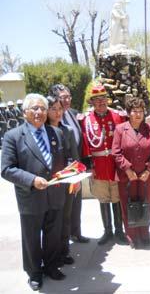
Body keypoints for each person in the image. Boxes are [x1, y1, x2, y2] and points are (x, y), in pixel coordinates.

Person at [1, 94, 69, 291]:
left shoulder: (55, 132)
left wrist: (70, 173)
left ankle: (51, 266)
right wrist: (31, 180)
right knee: (31, 237)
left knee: (53, 234)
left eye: (42, 108)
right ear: (25, 112)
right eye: (35, 109)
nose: (39, 112)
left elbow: (62, 162)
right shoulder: (13, 136)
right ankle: (34, 272)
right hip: (30, 196)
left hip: (55, 194)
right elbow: (6, 169)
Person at [78, 84, 127, 245]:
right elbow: (85, 144)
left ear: (108, 99)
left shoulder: (118, 116)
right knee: (103, 199)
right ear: (92, 102)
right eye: (97, 100)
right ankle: (108, 231)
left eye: (103, 99)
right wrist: (88, 166)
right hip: (98, 166)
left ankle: (119, 231)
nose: (101, 102)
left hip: (115, 165)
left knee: (116, 198)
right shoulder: (86, 120)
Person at [112, 97, 150, 248]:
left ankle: (144, 234)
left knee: (146, 204)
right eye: (134, 111)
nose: (138, 114)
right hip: (127, 177)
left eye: (141, 111)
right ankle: (132, 236)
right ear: (128, 113)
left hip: (145, 176)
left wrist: (148, 169)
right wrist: (127, 168)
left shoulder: (149, 129)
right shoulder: (120, 129)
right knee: (128, 206)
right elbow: (116, 152)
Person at [49, 84, 90, 243]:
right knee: (65, 208)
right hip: (62, 171)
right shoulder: (51, 120)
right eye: (63, 97)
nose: (67, 100)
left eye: (68, 96)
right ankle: (63, 241)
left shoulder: (73, 114)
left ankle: (76, 232)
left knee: (76, 203)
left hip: (76, 168)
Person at [46, 95, 80, 266]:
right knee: (52, 220)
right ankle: (51, 255)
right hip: (48, 184)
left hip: (66, 181)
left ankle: (64, 251)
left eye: (60, 109)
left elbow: (74, 157)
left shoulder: (67, 130)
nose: (58, 112)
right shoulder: (41, 129)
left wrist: (76, 178)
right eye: (54, 109)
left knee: (66, 217)